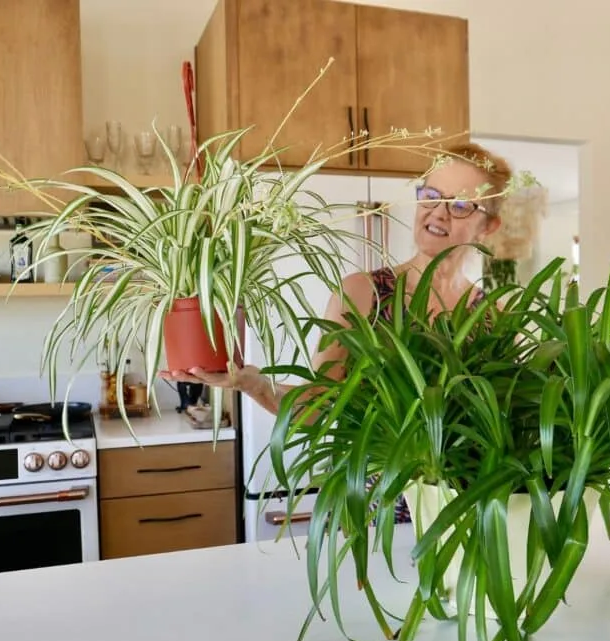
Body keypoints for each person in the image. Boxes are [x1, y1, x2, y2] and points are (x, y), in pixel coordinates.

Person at [160, 142, 513, 522]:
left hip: (462, 518)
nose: (438, 213)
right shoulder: (364, 292)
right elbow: (318, 406)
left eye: (460, 205)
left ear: (488, 224)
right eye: (430, 196)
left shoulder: (493, 313)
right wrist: (254, 384)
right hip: (373, 519)